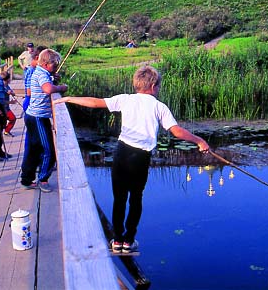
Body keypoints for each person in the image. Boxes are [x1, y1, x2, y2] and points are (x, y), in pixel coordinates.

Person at [55, 65, 209, 254]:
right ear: (153, 86)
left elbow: (96, 102)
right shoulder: (159, 106)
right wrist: (199, 140)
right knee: (136, 198)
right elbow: (176, 131)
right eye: (158, 86)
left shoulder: (125, 100)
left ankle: (117, 240)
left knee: (119, 198)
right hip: (140, 157)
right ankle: (129, 241)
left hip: (121, 153)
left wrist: (69, 99)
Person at [21, 48, 68, 193]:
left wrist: (53, 76)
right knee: (49, 149)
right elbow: (47, 89)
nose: (56, 67)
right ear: (46, 64)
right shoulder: (42, 74)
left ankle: (26, 180)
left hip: (33, 116)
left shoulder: (42, 73)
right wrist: (61, 87)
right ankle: (43, 179)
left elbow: (47, 82)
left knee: (34, 149)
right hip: (38, 118)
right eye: (54, 65)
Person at [22, 45, 46, 112]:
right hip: (31, 104)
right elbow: (29, 92)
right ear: (37, 58)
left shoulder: (36, 70)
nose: (46, 63)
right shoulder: (32, 71)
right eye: (44, 60)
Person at [0, 71, 17, 136]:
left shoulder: (7, 86)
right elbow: (2, 101)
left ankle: (6, 131)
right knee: (2, 122)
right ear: (7, 79)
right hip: (2, 109)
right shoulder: (1, 88)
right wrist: (11, 102)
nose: (10, 79)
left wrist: (11, 93)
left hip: (7, 108)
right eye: (9, 78)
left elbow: (13, 93)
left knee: (13, 118)